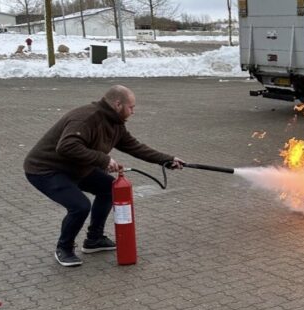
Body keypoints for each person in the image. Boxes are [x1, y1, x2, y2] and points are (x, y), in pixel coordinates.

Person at [24, 85, 184, 266]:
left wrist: (167, 160)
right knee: (80, 206)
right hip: (45, 169)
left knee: (109, 189)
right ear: (117, 104)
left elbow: (135, 147)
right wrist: (103, 159)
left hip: (77, 167)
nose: (133, 112)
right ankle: (64, 248)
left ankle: (94, 239)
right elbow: (66, 146)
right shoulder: (86, 118)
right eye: (131, 107)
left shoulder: (115, 123)